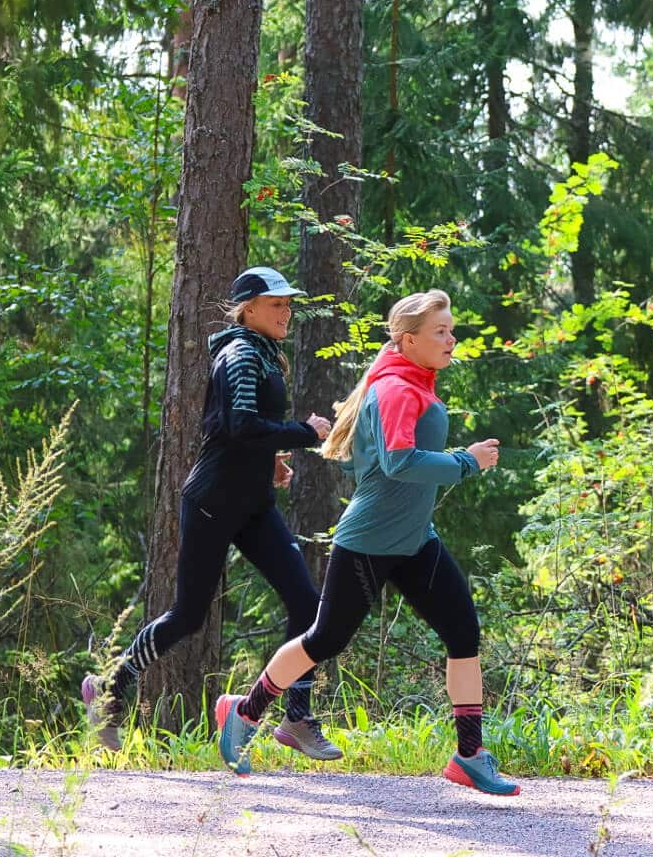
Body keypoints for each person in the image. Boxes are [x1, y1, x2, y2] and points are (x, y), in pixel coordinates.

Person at [212, 289, 517, 795]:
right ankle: (243, 712)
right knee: (325, 640)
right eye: (440, 331)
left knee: (463, 631)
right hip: (370, 541)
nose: (451, 338)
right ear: (408, 340)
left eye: (451, 330)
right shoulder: (396, 387)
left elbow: (361, 462)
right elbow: (398, 462)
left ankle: (469, 755)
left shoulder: (408, 381)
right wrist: (466, 461)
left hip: (415, 540)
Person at [82, 267, 340, 759]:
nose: (286, 311)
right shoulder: (240, 353)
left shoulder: (263, 354)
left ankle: (296, 716)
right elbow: (241, 426)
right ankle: (109, 690)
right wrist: (305, 432)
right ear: (248, 309)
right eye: (276, 304)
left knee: (307, 604)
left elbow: (239, 428)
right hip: (213, 502)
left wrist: (271, 462)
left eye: (288, 303)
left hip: (253, 504)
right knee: (188, 616)